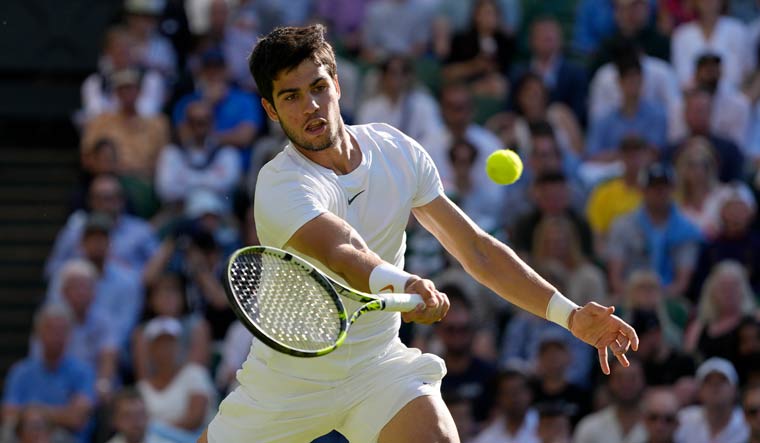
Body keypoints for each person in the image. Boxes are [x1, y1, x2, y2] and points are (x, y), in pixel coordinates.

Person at [200, 25, 638, 443]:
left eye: (318, 87)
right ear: (271, 110)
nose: (310, 106)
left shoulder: (396, 150)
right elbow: (343, 251)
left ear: (337, 85)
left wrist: (570, 315)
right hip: (289, 381)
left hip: (377, 365)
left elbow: (476, 250)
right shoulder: (280, 183)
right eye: (291, 96)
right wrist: (404, 284)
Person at [675, 357, 749, 443]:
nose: (715, 385)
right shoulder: (683, 420)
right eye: (708, 381)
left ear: (735, 389)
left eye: (722, 380)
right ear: (699, 391)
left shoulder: (750, 420)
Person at [573, 359, 648, 443]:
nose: (626, 384)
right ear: (609, 382)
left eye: (632, 378)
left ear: (644, 381)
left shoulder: (657, 423)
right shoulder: (590, 426)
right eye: (619, 378)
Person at [470, 368, 540, 443]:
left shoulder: (543, 424)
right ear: (498, 398)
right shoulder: (488, 436)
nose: (514, 397)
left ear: (530, 393)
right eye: (508, 392)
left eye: (518, 391)